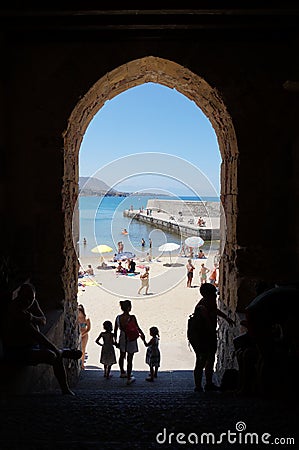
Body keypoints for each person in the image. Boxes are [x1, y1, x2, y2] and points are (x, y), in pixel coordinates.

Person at [2, 283, 82, 395]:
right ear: (19, 295)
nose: (28, 302)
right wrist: (54, 349)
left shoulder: (31, 304)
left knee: (54, 354)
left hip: (31, 345)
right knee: (53, 355)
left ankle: (65, 386)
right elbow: (37, 335)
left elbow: (43, 320)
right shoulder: (16, 311)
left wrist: (31, 317)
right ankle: (62, 354)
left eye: (30, 299)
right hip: (17, 350)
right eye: (25, 298)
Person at [191, 283, 234, 392]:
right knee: (202, 361)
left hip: (206, 337)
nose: (215, 295)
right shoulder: (202, 307)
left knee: (208, 360)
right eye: (213, 293)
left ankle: (207, 384)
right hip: (204, 338)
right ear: (207, 295)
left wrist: (226, 318)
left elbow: (214, 311)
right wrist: (212, 333)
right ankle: (199, 386)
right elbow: (208, 322)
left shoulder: (208, 303)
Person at [114, 300, 145, 385]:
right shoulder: (132, 317)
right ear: (129, 308)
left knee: (122, 355)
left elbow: (115, 331)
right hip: (131, 338)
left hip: (122, 338)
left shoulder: (118, 318)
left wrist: (115, 341)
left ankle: (122, 372)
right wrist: (142, 335)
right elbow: (137, 327)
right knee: (130, 358)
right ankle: (128, 377)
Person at [77, 304, 91, 369]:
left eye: (79, 312)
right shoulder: (76, 318)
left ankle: (82, 363)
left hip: (84, 335)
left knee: (83, 349)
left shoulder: (86, 318)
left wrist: (83, 334)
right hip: (78, 334)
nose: (78, 313)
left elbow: (88, 328)